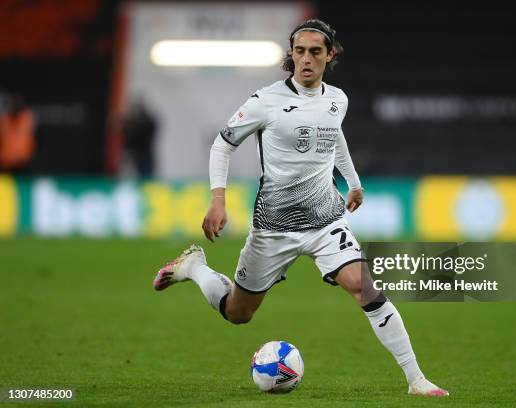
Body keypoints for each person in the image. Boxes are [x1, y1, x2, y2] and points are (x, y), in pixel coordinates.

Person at [153, 19, 448, 397]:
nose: (306, 59)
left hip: (326, 220)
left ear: (330, 55)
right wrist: (218, 199)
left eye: (314, 51)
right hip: (274, 226)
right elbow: (222, 145)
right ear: (290, 55)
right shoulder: (265, 101)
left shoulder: (337, 99)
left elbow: (334, 135)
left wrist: (353, 182)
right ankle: (194, 269)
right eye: (299, 51)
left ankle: (416, 379)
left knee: (364, 288)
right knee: (238, 313)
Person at [0, 93, 36, 172]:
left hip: (24, 163)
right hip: (6, 163)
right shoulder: (4, 120)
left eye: (18, 104)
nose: (16, 106)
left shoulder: (28, 118)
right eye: (14, 104)